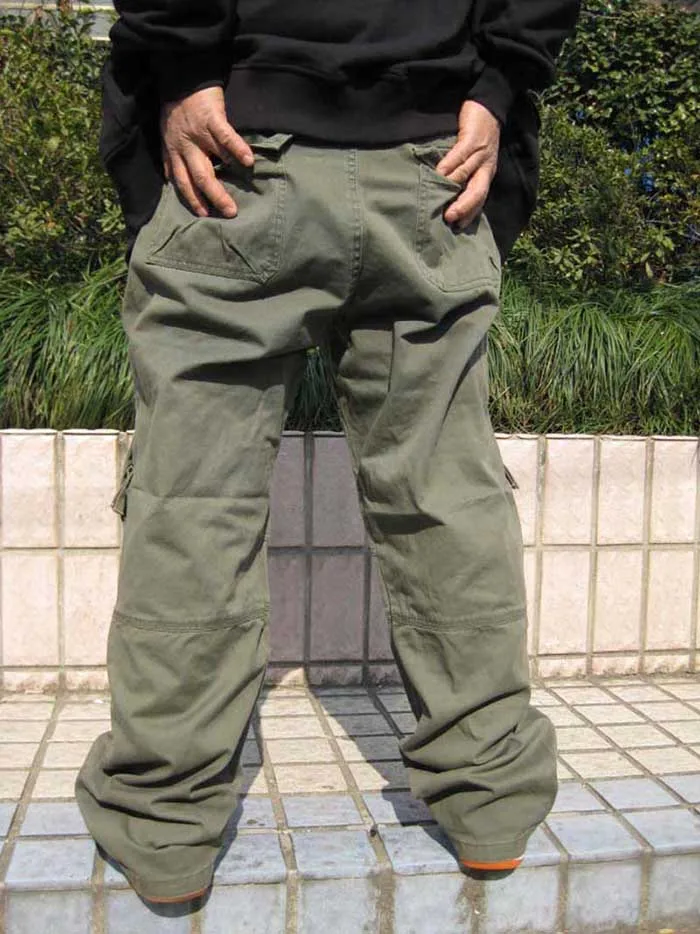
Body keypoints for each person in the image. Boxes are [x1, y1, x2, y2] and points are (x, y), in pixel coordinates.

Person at [75, 0, 581, 905]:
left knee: (195, 502)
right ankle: (490, 807)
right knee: (444, 496)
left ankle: (167, 829)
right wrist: (499, 89)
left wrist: (184, 72)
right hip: (434, 163)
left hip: (237, 151)